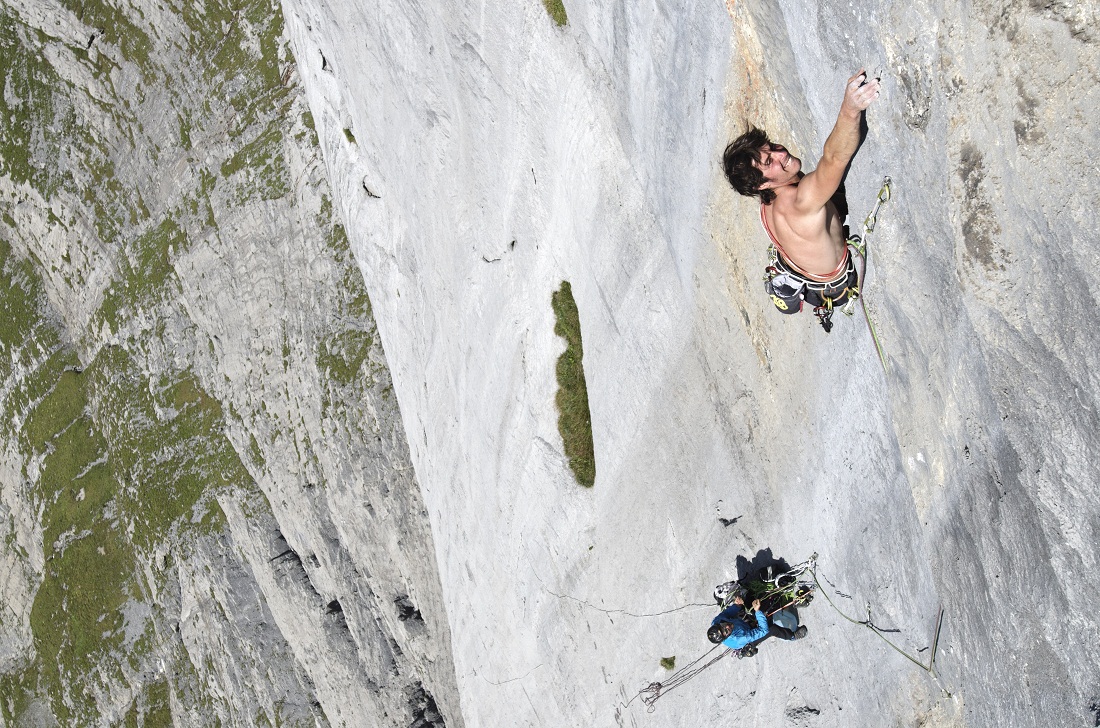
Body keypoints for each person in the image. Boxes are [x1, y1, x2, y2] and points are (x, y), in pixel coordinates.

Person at [722, 70, 881, 330]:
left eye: (772, 147)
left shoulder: (767, 201)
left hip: (814, 282)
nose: (781, 153)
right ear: (761, 183)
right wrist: (850, 108)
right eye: (769, 162)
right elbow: (834, 159)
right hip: (841, 282)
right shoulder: (800, 200)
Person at [707, 596, 807, 650]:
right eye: (726, 631)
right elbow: (764, 630)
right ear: (727, 637)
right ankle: (792, 636)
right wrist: (758, 611)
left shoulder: (717, 621)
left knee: (753, 599)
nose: (727, 626)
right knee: (772, 629)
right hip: (749, 636)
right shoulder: (740, 638)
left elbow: (727, 613)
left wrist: (737, 606)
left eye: (723, 625)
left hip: (741, 623)